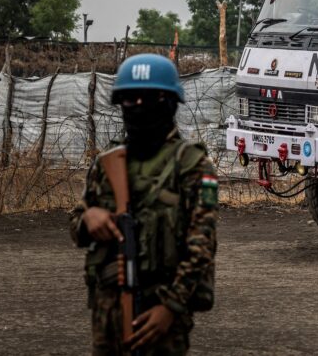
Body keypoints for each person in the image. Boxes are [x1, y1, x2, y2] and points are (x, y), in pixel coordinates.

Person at [70, 54, 217, 355]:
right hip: (107, 312)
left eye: (149, 98)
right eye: (130, 99)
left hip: (161, 315)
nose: (138, 106)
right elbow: (77, 221)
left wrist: (171, 307)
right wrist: (88, 219)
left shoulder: (190, 164)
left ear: (170, 102)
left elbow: (202, 245)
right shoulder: (108, 162)